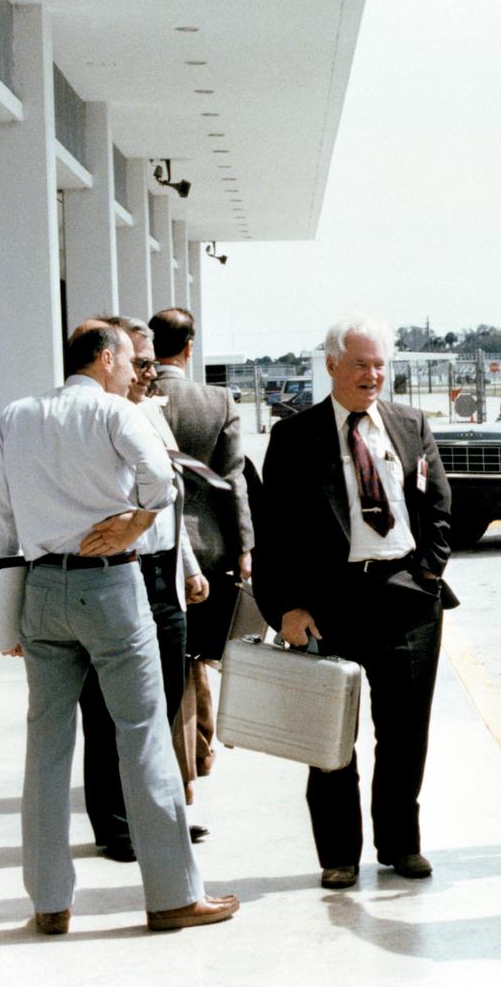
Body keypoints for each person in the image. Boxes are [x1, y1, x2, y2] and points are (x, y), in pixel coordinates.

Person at [0, 320, 238, 935]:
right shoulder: (116, 415)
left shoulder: (17, 416)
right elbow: (163, 484)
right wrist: (131, 524)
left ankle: (49, 901)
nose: (135, 373)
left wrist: (1, 620)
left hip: (42, 589)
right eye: (129, 361)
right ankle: (173, 894)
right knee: (143, 736)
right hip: (110, 587)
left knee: (45, 747)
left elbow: (0, 519)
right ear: (102, 360)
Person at [253, 312, 453, 889]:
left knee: (405, 731)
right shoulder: (294, 437)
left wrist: (429, 574)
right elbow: (275, 533)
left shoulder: (410, 424)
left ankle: (401, 844)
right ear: (332, 364)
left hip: (406, 599)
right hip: (328, 604)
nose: (372, 375)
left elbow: (438, 506)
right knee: (331, 735)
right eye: (360, 364)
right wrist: (285, 608)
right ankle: (338, 855)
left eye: (379, 365)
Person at [76, 318, 211, 861]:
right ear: (115, 360)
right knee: (107, 711)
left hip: (162, 575)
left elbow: (170, 499)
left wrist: (189, 567)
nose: (149, 374)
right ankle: (114, 825)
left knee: (163, 702)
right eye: (142, 363)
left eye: (154, 363)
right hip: (116, 572)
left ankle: (161, 814)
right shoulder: (92, 422)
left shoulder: (151, 413)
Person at [149, 307, 254, 800]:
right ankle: (194, 758)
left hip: (152, 544)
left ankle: (190, 755)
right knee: (194, 653)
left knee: (168, 657)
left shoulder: (139, 397)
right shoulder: (217, 400)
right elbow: (234, 481)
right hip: (208, 546)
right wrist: (245, 546)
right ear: (190, 346)